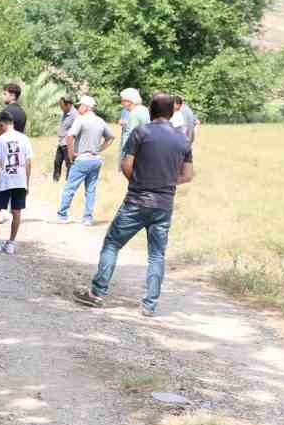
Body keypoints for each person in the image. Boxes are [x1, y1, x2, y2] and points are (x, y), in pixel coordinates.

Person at [76, 93, 195, 316]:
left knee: (112, 244)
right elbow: (188, 175)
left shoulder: (142, 132)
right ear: (172, 112)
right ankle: (149, 305)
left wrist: (139, 182)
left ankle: (97, 293)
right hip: (164, 205)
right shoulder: (183, 139)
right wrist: (167, 183)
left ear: (151, 110)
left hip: (136, 201)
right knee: (157, 255)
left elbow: (127, 164)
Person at [57, 95, 113, 225]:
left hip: (82, 159)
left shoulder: (80, 120)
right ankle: (88, 218)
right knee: (91, 190)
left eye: (80, 105)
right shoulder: (100, 121)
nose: (78, 108)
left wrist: (71, 154)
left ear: (86, 107)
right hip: (95, 159)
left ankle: (62, 215)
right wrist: (99, 149)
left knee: (70, 188)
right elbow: (110, 138)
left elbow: (70, 137)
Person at [0, 111, 32, 255]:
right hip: (20, 180)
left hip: (5, 179)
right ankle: (11, 243)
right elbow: (28, 163)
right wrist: (27, 183)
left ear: (2, 124)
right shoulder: (24, 139)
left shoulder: (0, 140)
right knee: (17, 211)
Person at [117, 87, 150, 168]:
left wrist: (124, 155)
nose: (121, 103)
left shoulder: (134, 113)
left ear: (129, 101)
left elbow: (130, 135)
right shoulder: (144, 109)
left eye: (122, 100)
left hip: (135, 152)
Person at [52, 97, 77, 182]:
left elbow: (77, 130)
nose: (61, 108)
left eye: (62, 106)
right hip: (61, 142)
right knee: (57, 162)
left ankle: (69, 182)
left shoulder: (75, 115)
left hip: (68, 144)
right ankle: (55, 181)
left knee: (69, 164)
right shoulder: (65, 112)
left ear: (68, 105)